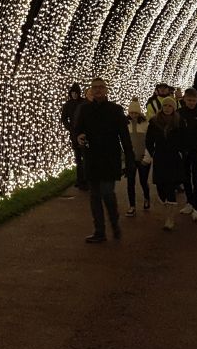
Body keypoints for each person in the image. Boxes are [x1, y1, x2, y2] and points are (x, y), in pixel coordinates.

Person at [75, 78, 135, 243]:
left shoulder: (115, 110)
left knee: (107, 193)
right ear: (91, 90)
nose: (98, 90)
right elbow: (77, 129)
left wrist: (129, 159)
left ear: (106, 89)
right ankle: (99, 231)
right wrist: (79, 136)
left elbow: (124, 137)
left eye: (101, 87)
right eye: (95, 87)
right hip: (92, 158)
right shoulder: (84, 109)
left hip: (109, 158)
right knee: (95, 196)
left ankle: (114, 224)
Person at [145, 96, 185, 230]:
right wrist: (152, 152)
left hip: (173, 158)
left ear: (174, 108)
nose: (167, 108)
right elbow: (149, 140)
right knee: (160, 187)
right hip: (160, 157)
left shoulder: (179, 122)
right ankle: (165, 205)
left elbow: (183, 138)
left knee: (170, 187)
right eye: (165, 106)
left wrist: (181, 151)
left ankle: (170, 218)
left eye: (170, 106)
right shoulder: (154, 122)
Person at [178, 88, 197, 222]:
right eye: (189, 100)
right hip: (184, 151)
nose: (191, 103)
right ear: (185, 99)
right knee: (185, 178)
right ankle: (189, 202)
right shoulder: (179, 113)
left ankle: (196, 207)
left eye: (193, 100)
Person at [124, 99, 151, 215]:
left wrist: (148, 156)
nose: (133, 115)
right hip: (131, 158)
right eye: (131, 113)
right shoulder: (126, 124)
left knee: (143, 181)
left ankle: (146, 198)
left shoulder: (145, 124)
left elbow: (149, 141)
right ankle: (132, 205)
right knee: (130, 182)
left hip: (143, 157)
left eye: (135, 113)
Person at [60, 83, 88, 190]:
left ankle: (85, 179)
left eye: (76, 93)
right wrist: (70, 128)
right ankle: (80, 180)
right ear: (70, 94)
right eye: (73, 93)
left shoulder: (83, 103)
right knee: (78, 158)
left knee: (85, 157)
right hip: (74, 133)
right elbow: (64, 118)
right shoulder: (68, 105)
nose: (75, 95)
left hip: (84, 133)